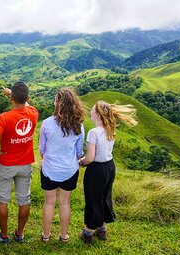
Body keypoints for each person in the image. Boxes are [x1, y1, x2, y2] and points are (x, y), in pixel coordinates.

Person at [0, 82, 39, 244]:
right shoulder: (33, 113)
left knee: (3, 200)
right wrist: (12, 93)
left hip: (6, 164)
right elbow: (26, 104)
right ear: (27, 98)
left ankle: (4, 235)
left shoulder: (4, 118)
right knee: (24, 200)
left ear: (12, 99)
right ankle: (20, 234)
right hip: (25, 164)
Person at [79, 100, 137, 244]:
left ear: (98, 115)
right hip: (110, 167)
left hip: (97, 170)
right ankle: (102, 229)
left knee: (93, 199)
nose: (90, 112)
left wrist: (81, 162)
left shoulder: (93, 132)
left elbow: (91, 158)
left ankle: (88, 231)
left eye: (93, 110)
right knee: (105, 197)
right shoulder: (110, 128)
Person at [38, 88, 85, 243]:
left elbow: (42, 150)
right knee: (65, 203)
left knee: (49, 202)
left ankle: (46, 235)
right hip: (70, 170)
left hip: (49, 169)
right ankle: (64, 236)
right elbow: (79, 152)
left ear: (57, 103)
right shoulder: (79, 125)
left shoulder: (46, 123)